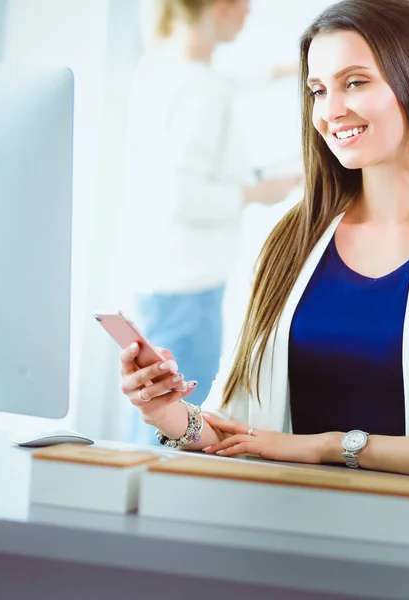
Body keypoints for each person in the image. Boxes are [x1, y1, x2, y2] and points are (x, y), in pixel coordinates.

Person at [119, 0, 409, 486]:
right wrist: (168, 414)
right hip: (283, 530)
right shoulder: (291, 237)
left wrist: (332, 446)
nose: (330, 111)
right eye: (318, 90)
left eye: (355, 82)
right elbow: (236, 425)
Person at [120, 0, 301, 445]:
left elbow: (231, 81)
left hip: (160, 277)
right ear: (223, 6)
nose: (251, 12)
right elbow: (183, 195)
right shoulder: (202, 88)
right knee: (175, 420)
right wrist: (259, 193)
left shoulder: (163, 70)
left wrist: (297, 67)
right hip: (189, 287)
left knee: (150, 403)